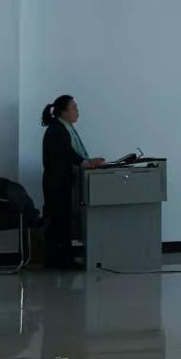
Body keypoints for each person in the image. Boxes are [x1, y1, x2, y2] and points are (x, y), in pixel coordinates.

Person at [41, 95, 104, 268]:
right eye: (74, 107)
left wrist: (87, 162)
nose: (78, 111)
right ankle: (61, 260)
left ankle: (62, 259)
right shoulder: (57, 129)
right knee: (59, 221)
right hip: (57, 183)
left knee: (63, 220)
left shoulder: (64, 128)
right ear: (63, 111)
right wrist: (85, 162)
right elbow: (67, 152)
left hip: (62, 181)